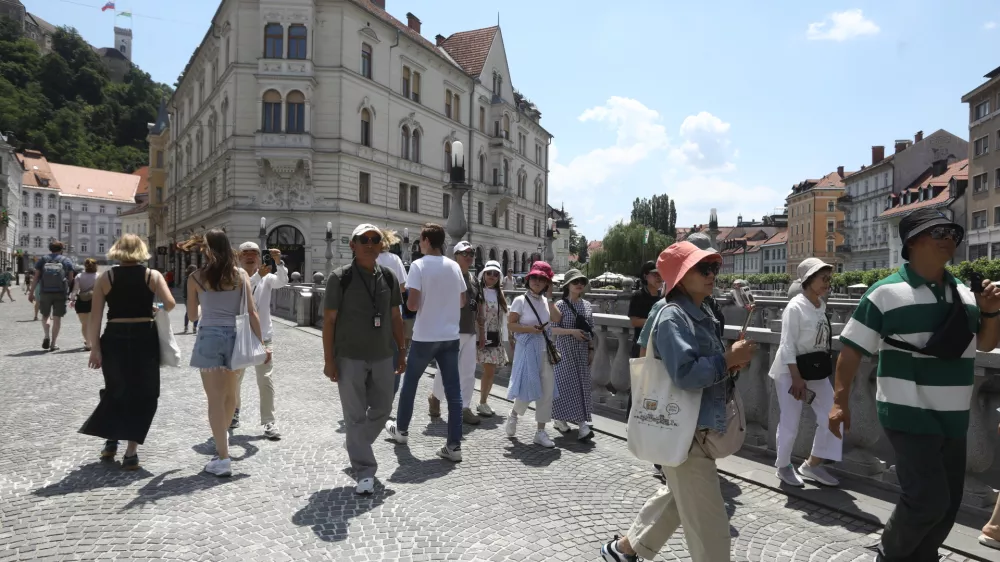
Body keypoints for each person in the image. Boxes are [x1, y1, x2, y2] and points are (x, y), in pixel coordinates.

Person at [829, 209, 1000, 562]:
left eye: (953, 233)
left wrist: (991, 312)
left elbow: (984, 344)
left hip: (954, 416)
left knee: (949, 503)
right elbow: (851, 349)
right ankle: (889, 555)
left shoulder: (964, 293)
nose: (949, 238)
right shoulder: (884, 292)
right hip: (906, 411)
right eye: (938, 232)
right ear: (912, 241)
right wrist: (839, 401)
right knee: (926, 499)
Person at [601, 241, 756, 562]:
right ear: (681, 276)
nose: (712, 274)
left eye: (714, 267)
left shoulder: (700, 311)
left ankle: (624, 550)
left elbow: (700, 366)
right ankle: (624, 550)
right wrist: (726, 359)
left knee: (677, 497)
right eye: (703, 268)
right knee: (711, 530)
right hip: (686, 428)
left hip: (692, 425)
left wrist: (729, 364)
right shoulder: (673, 316)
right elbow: (685, 374)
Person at [323, 223, 405, 494]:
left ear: (382, 245)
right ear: (353, 245)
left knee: (383, 409)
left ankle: (355, 444)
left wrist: (402, 350)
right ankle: (365, 471)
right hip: (349, 356)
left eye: (375, 239)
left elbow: (395, 317)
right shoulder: (340, 278)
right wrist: (329, 360)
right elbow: (329, 321)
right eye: (363, 239)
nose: (369, 244)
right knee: (355, 417)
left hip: (383, 355)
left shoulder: (389, 277)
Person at [80, 235, 175, 470]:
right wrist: (155, 307)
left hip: (115, 337)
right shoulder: (152, 275)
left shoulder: (106, 277)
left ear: (117, 250)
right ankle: (131, 452)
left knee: (116, 389)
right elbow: (170, 303)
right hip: (144, 336)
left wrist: (94, 348)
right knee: (145, 393)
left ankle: (111, 439)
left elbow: (95, 317)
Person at [187, 230, 271, 477]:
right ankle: (221, 451)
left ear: (207, 249)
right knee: (230, 397)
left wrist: (205, 309)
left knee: (215, 399)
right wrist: (262, 344)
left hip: (210, 338)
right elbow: (252, 313)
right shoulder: (241, 275)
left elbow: (192, 316)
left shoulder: (195, 277)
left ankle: (223, 457)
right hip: (235, 338)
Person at [385, 223, 468, 462]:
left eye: (421, 240)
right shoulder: (454, 266)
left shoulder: (419, 265)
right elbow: (462, 301)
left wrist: (420, 303)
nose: (419, 244)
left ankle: (401, 431)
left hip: (425, 336)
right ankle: (454, 446)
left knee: (410, 384)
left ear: (427, 241)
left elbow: (412, 305)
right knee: (454, 392)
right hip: (450, 335)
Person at [770, 258, 841, 487]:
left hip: (814, 369)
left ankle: (812, 464)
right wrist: (796, 378)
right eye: (823, 278)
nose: (827, 283)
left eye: (829, 279)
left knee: (833, 416)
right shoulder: (795, 307)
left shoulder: (821, 305)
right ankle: (783, 466)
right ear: (808, 280)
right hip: (790, 371)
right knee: (790, 421)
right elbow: (787, 344)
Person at [231, 242, 288, 440]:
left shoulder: (268, 277)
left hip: (263, 335)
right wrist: (258, 276)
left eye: (254, 253)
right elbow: (241, 292)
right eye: (245, 253)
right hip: (240, 335)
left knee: (265, 380)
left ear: (259, 256)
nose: (250, 256)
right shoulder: (234, 276)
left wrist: (279, 262)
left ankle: (269, 421)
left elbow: (282, 281)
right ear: (239, 257)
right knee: (235, 379)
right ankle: (234, 411)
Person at [504, 261, 561, 448]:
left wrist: (550, 297)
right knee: (527, 387)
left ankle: (540, 431)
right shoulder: (520, 300)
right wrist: (530, 329)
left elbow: (557, 318)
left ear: (547, 283)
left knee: (547, 390)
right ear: (528, 279)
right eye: (534, 277)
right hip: (527, 349)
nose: (537, 281)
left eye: (542, 279)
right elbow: (511, 325)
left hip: (545, 350)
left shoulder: (546, 302)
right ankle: (514, 415)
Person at [429, 241, 481, 425]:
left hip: (470, 330)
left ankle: (464, 407)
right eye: (464, 253)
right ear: (456, 256)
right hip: (451, 330)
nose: (468, 257)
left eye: (471, 254)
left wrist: (480, 331)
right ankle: (435, 397)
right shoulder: (448, 276)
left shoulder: (474, 280)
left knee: (468, 372)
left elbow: (477, 306)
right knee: (446, 369)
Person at [551, 268, 596, 441]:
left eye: (582, 282)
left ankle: (563, 419)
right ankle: (582, 425)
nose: (579, 285)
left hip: (582, 351)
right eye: (575, 282)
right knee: (566, 385)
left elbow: (590, 329)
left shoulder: (587, 305)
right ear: (567, 285)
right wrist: (572, 332)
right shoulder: (560, 305)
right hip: (565, 351)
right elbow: (552, 329)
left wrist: (591, 348)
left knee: (581, 385)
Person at [625, 260, 662, 419]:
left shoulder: (663, 297)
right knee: (639, 384)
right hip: (641, 346)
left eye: (660, 274)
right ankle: (631, 419)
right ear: (646, 276)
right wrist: (656, 321)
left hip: (660, 348)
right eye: (655, 274)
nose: (659, 277)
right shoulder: (638, 296)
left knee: (656, 387)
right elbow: (634, 321)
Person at [28, 240, 75, 351]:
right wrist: (71, 293)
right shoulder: (66, 260)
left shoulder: (43, 259)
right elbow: (71, 279)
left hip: (45, 292)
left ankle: (46, 336)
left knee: (45, 316)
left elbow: (36, 277)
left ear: (50, 249)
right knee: (57, 318)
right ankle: (53, 344)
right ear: (61, 249)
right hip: (60, 292)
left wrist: (31, 292)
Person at [475, 260, 508, 417]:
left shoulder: (499, 294)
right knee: (488, 370)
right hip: (480, 335)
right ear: (484, 274)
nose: (492, 276)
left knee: (491, 371)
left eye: (496, 274)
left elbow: (504, 318)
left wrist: (507, 337)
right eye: (489, 273)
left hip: (494, 336)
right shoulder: (478, 292)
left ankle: (483, 401)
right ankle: (481, 402)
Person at [377, 229, 408, 391]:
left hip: (373, 313)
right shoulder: (395, 259)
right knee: (395, 354)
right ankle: (390, 394)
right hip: (394, 313)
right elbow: (403, 287)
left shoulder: (369, 258)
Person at [69, 258, 99, 351]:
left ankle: (88, 342)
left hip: (81, 301)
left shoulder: (79, 276)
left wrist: (72, 300)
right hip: (93, 301)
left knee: (84, 324)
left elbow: (75, 289)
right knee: (92, 324)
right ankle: (90, 342)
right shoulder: (98, 276)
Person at [182, 265, 199, 333]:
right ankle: (193, 327)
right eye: (195, 269)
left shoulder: (187, 278)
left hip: (187, 298)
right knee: (195, 312)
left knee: (189, 312)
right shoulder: (190, 278)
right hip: (191, 297)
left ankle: (187, 327)